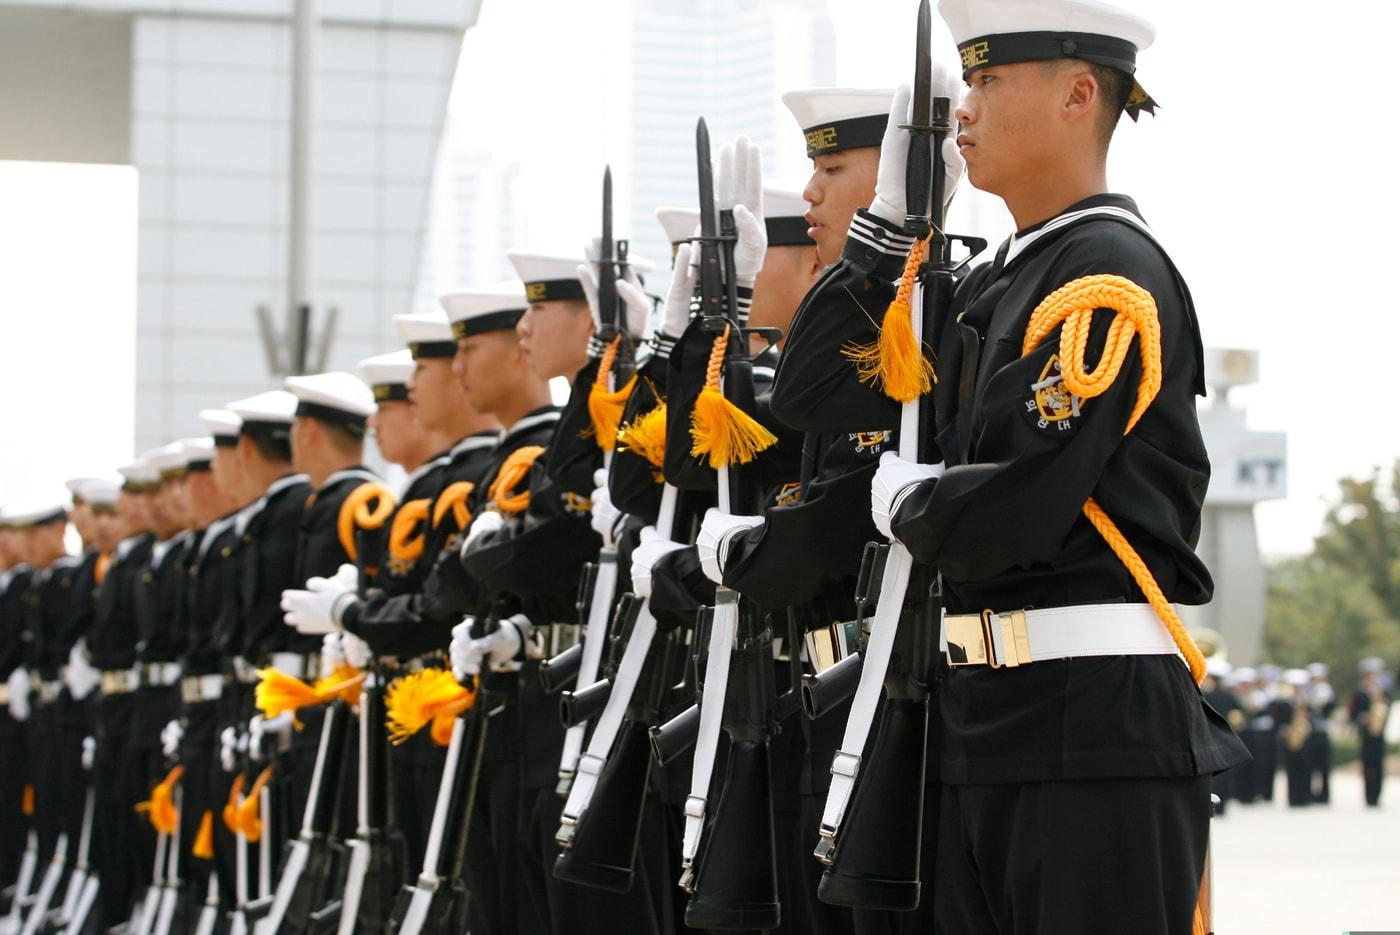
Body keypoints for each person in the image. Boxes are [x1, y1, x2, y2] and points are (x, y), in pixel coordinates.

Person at [794, 0, 1251, 930]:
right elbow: (811, 390)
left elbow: (1013, 510)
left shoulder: (1107, 272)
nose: (963, 108)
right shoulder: (990, 282)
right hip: (987, 719)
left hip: (1095, 724)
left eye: (989, 80)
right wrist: (885, 229)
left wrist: (912, 504)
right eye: (966, 80)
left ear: (1078, 94)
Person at [1351, 657, 1390, 807]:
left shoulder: (1382, 691)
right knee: (1367, 765)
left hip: (1379, 733)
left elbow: (1387, 708)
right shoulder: (1360, 692)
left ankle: (1378, 796)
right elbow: (1353, 711)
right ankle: (1369, 797)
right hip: (1366, 733)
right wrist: (1363, 718)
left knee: (1379, 765)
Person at [1304, 661, 1335, 803]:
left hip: (1323, 731)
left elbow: (1330, 709)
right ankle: (1309, 793)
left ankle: (1324, 795)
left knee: (1324, 766)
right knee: (1309, 764)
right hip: (1310, 732)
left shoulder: (1327, 691)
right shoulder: (1306, 691)